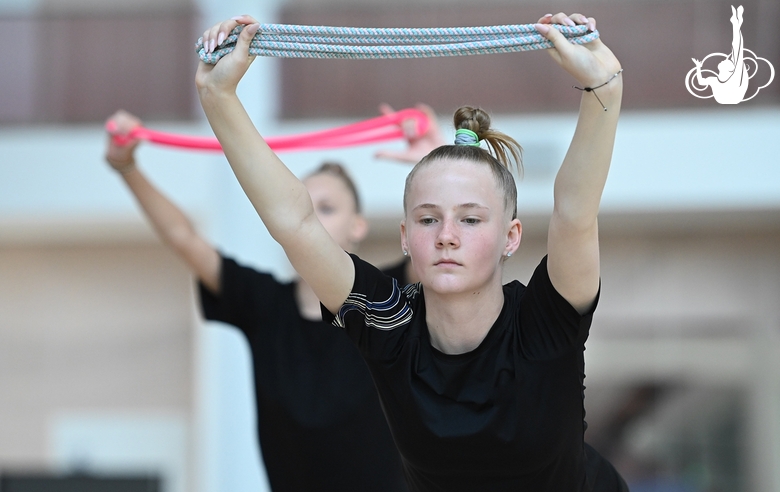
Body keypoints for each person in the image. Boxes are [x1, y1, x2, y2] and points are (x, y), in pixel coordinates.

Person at [196, 10, 628, 491]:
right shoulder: (388, 324)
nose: (446, 234)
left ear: (512, 237)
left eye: (470, 218)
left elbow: (574, 211)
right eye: (428, 219)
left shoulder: (546, 321)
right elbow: (296, 223)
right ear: (405, 237)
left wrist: (603, 93)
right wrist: (218, 96)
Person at [104, 108, 439, 491]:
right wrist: (126, 166)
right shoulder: (264, 304)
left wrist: (436, 156)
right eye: (302, 207)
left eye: (325, 209)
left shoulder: (387, 297)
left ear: (357, 227)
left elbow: (440, 246)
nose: (310, 221)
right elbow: (183, 238)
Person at [692, 5, 748, 104]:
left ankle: (736, 23)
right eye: (728, 60)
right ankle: (736, 23)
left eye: (728, 61)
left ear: (730, 69)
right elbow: (701, 82)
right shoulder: (714, 80)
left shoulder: (735, 77)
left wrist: (736, 26)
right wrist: (698, 67)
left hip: (733, 99)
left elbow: (737, 48)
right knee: (736, 50)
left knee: (737, 50)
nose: (725, 59)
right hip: (724, 100)